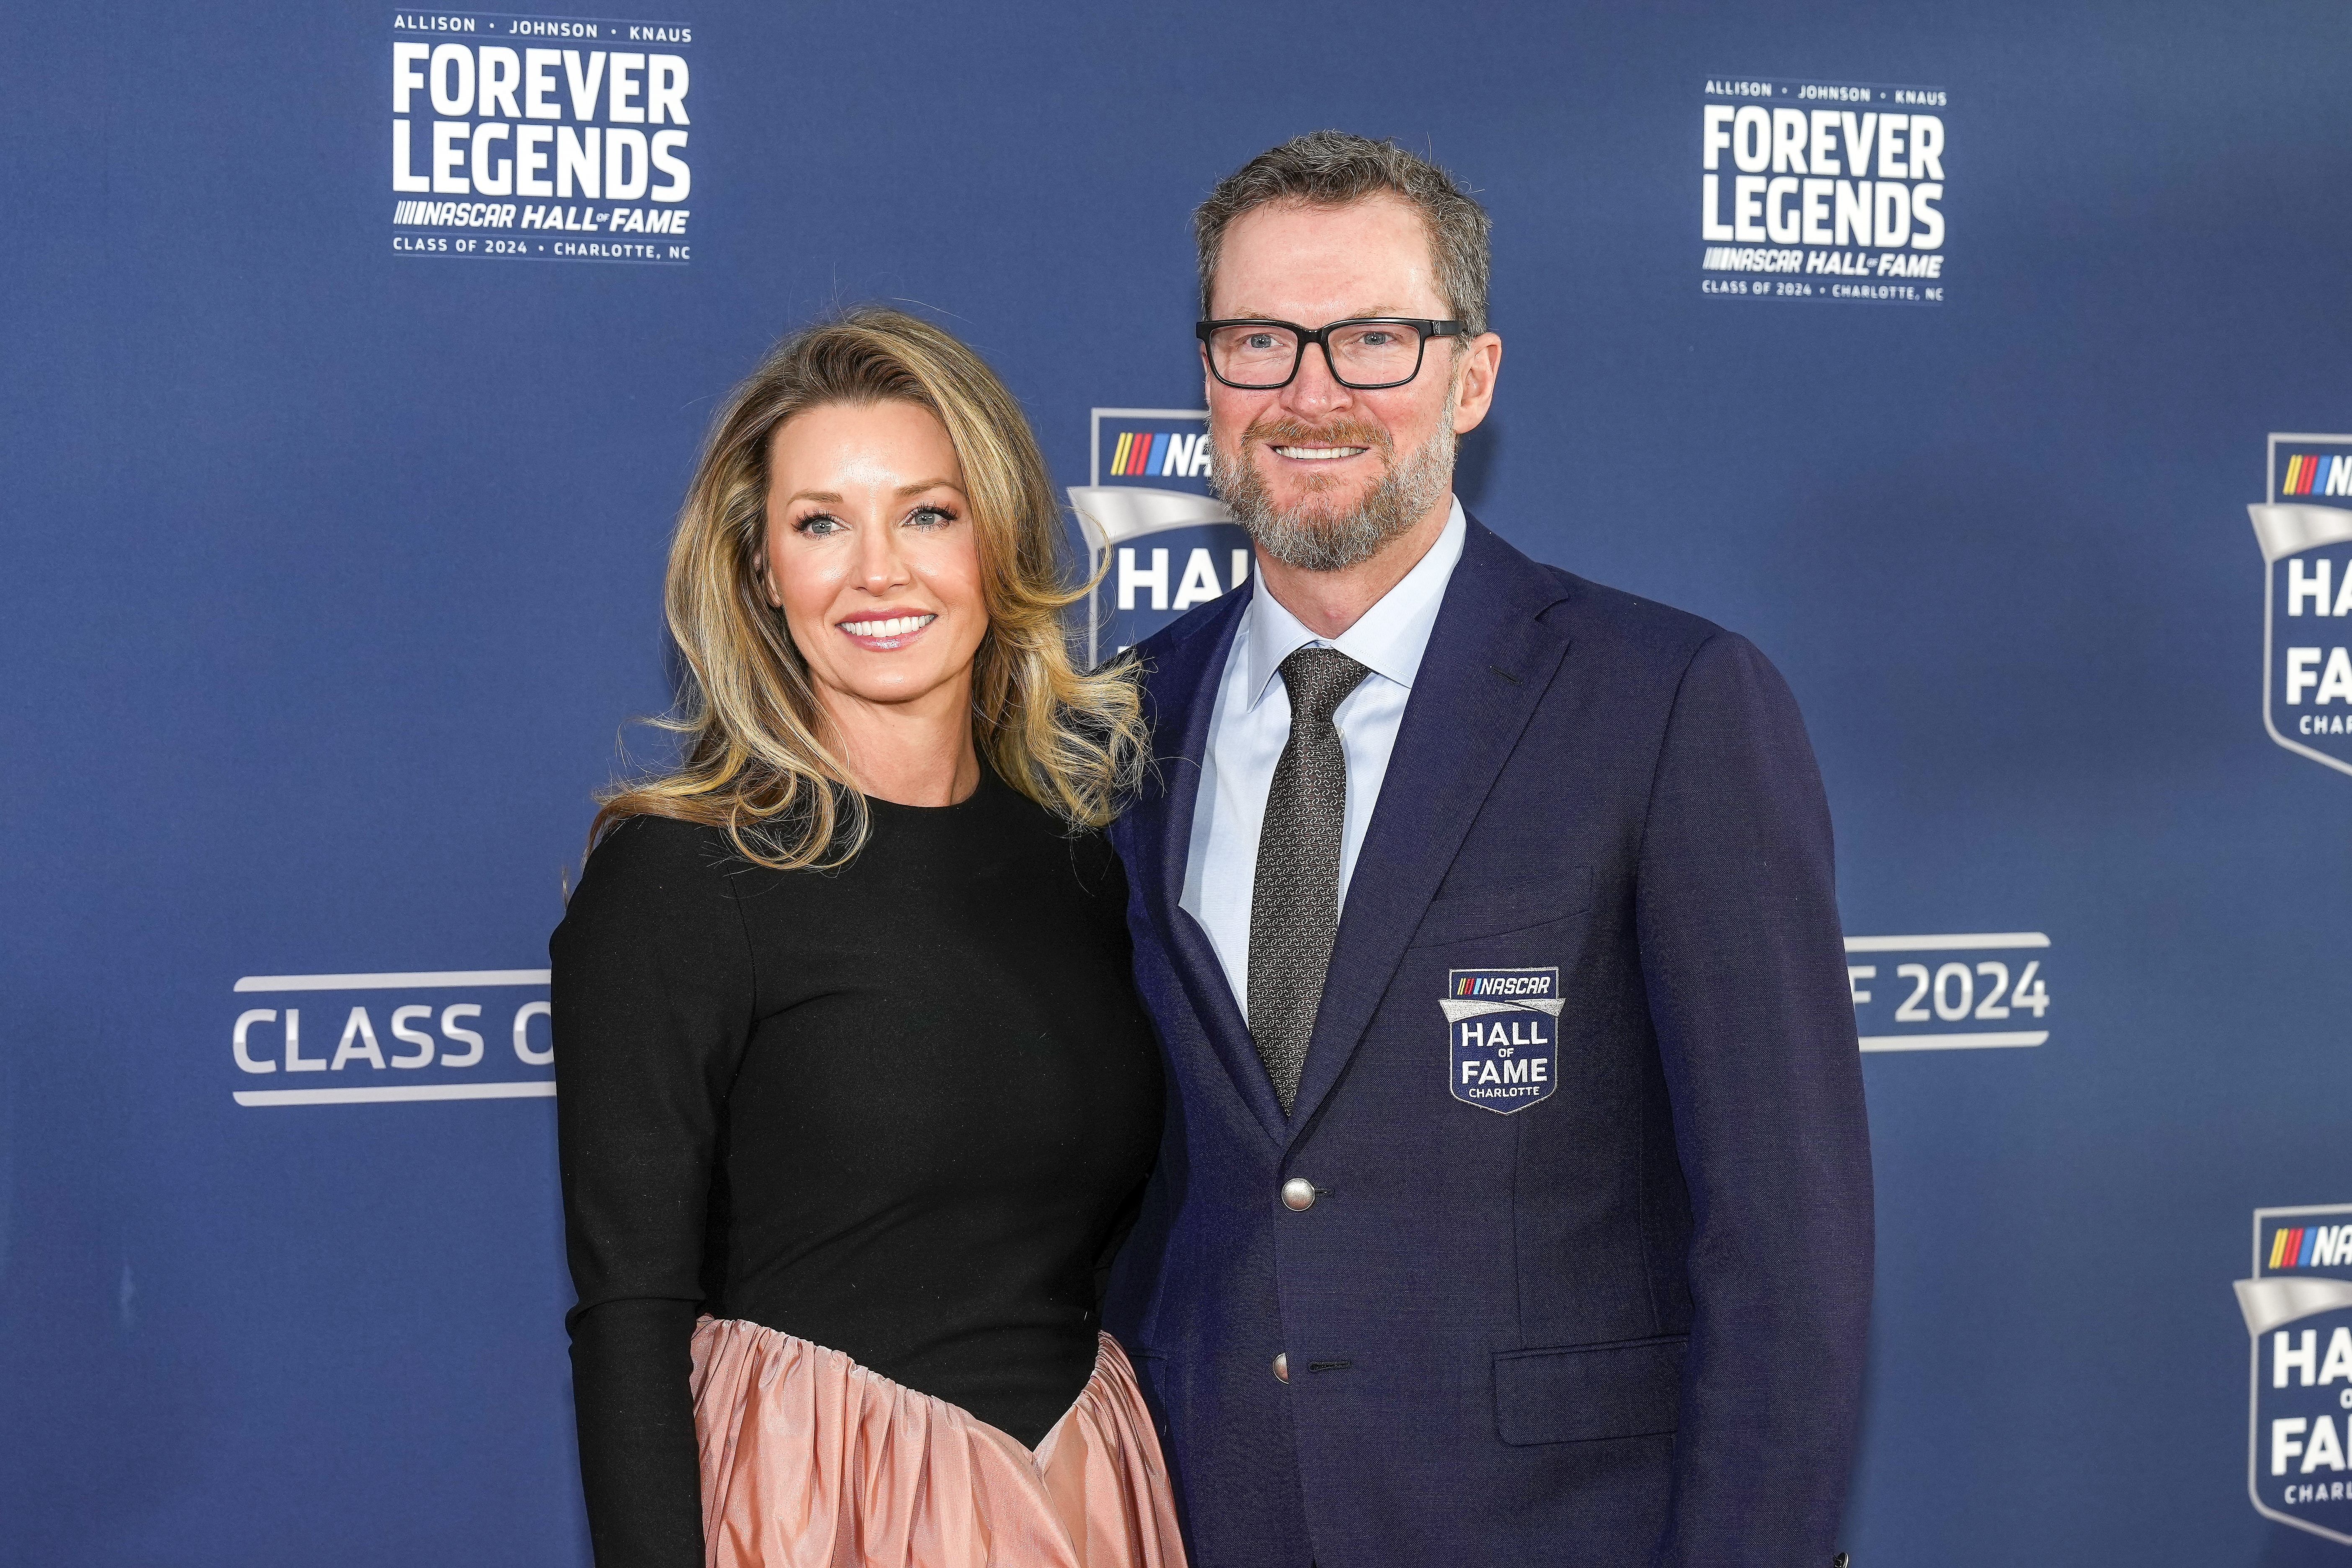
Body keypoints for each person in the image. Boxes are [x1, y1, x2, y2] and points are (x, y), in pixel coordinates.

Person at [1100, 132, 1874, 1567]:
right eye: (1262, 339)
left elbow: (1789, 1251)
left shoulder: (1671, 704)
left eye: (1375, 338)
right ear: (1209, 375)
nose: (1311, 392)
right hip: (1202, 1522)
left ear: (1473, 376)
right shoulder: (1119, 728)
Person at [551, 309, 1187, 1568]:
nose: (877, 571)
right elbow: (629, 1315)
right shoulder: (682, 876)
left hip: (1085, 1497)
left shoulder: (1077, 860)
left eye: (928, 514)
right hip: (819, 1505)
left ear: (998, 539)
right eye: (821, 522)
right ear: (760, 572)